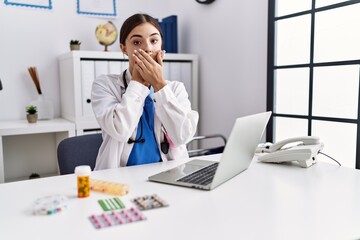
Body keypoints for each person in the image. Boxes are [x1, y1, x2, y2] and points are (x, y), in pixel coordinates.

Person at [91, 13, 199, 170]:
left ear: (161, 48)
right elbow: (120, 130)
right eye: (136, 42)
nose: (147, 48)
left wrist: (160, 85)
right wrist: (137, 84)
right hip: (118, 178)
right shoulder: (105, 85)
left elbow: (182, 136)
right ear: (124, 49)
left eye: (154, 41)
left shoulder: (175, 89)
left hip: (168, 175)